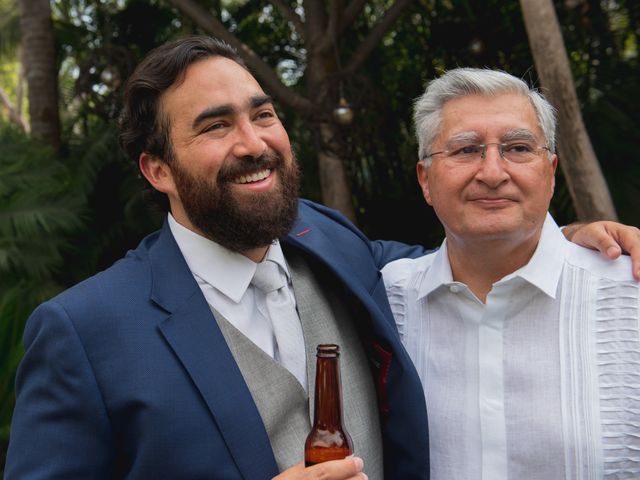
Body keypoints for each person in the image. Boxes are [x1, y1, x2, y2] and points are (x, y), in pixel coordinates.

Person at [4, 37, 639, 480]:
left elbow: (468, 255)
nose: (254, 143)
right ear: (158, 168)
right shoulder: (83, 332)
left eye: (264, 114)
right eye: (215, 126)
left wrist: (572, 236)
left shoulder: (335, 246)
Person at [382, 67, 640, 479]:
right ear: (425, 180)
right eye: (465, 150)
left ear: (551, 172)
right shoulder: (385, 302)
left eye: (518, 148)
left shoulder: (630, 300)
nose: (492, 172)